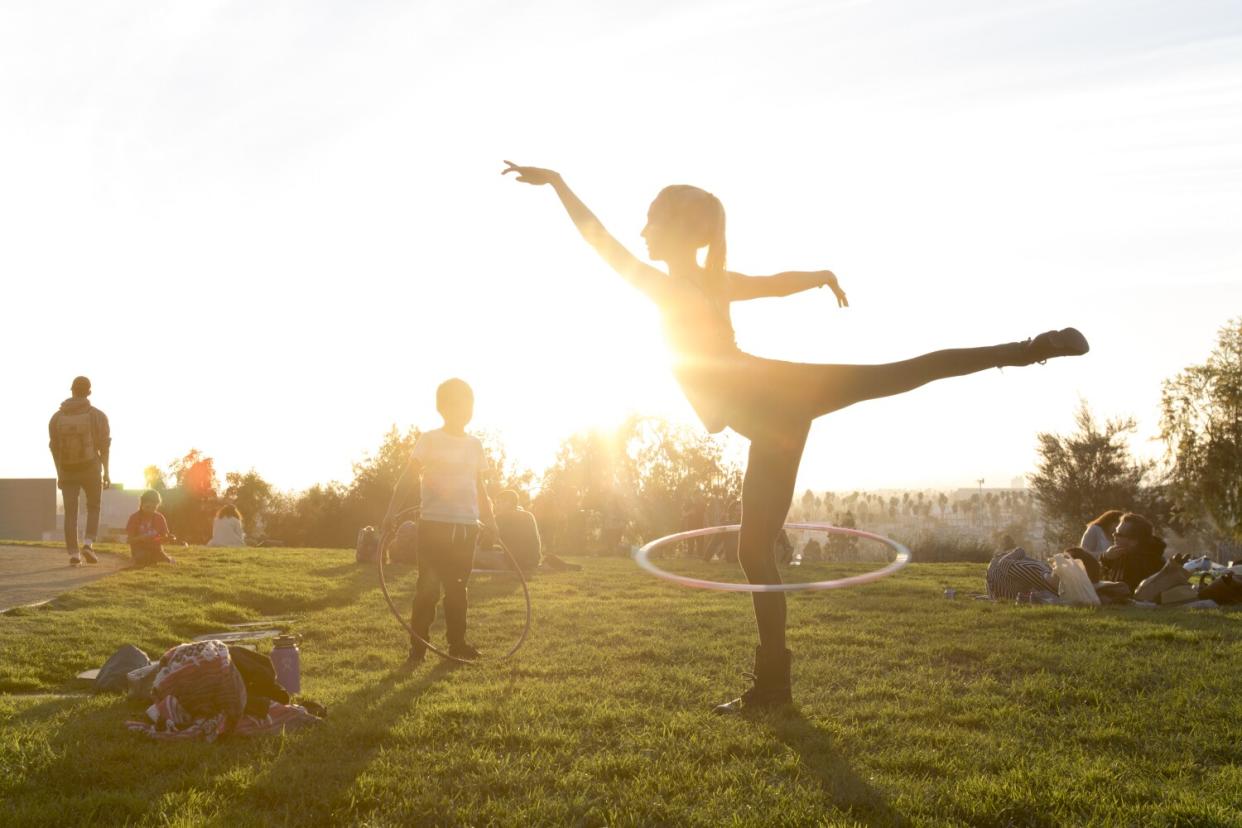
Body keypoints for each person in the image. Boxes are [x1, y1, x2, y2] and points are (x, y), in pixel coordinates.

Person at [505, 161, 1090, 713]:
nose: (643, 230)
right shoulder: (710, 283)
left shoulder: (676, 289)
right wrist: (819, 277)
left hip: (773, 399)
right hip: (775, 416)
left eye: (652, 219)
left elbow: (599, 241)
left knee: (764, 541)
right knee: (766, 536)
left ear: (677, 230)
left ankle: (773, 685)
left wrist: (558, 183)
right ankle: (772, 687)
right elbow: (775, 284)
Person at [383, 379, 497, 663]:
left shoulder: (475, 445)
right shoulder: (429, 440)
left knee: (458, 588)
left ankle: (457, 644)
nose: (465, 409)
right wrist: (391, 511)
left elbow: (480, 487)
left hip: (466, 527)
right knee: (428, 588)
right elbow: (408, 477)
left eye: (469, 403)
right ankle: (418, 647)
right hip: (434, 525)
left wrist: (490, 519)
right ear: (442, 407)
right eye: (458, 403)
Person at [48, 376, 111, 566]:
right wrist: (106, 471)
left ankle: (74, 554)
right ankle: (88, 544)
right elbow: (104, 446)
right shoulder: (97, 416)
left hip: (67, 470)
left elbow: (54, 447)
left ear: (71, 390)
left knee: (70, 512)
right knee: (93, 507)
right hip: (91, 468)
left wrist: (59, 472)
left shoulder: (57, 418)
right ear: (89, 392)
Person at [1101, 512, 1166, 590]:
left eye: (1119, 534)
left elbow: (1125, 592)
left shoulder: (1145, 563)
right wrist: (1106, 557)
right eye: (1115, 532)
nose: (1113, 535)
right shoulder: (1122, 552)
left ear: (1134, 541)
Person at [126, 490, 178, 566]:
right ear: (141, 504)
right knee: (143, 558)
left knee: (165, 562)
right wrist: (141, 538)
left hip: (156, 550)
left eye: (154, 507)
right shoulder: (134, 518)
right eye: (148, 507)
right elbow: (129, 540)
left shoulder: (160, 518)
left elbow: (163, 538)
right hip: (139, 550)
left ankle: (165, 558)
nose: (150, 510)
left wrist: (168, 538)